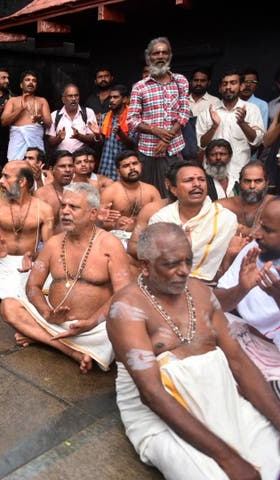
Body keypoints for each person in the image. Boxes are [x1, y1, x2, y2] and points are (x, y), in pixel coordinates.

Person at [109, 222, 280, 480]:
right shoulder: (126, 309)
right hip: (163, 418)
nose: (184, 271)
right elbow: (152, 394)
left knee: (272, 460)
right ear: (145, 266)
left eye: (188, 261)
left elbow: (239, 363)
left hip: (221, 400)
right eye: (171, 264)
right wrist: (228, 458)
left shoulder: (200, 293)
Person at [0, 182, 131, 373]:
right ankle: (70, 351)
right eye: (63, 206)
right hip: (53, 320)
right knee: (8, 306)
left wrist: (92, 322)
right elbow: (33, 285)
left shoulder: (110, 245)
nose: (65, 212)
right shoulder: (53, 244)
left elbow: (123, 294)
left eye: (74, 207)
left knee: (126, 327)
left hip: (94, 329)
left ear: (93, 213)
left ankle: (40, 336)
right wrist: (46, 312)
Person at [215, 197, 280, 397]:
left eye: (267, 230)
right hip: (240, 333)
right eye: (260, 224)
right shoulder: (255, 249)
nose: (256, 233)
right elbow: (216, 303)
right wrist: (241, 289)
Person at [0, 161, 54, 303]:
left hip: (30, 264)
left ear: (21, 181)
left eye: (6, 177)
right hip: (2, 263)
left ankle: (13, 294)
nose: (1, 181)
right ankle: (23, 294)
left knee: (53, 283)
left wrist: (32, 255)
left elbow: (49, 248)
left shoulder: (44, 210)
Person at [148, 161, 238, 283]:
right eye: (189, 180)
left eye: (201, 179)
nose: (197, 184)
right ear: (174, 189)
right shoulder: (161, 219)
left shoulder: (225, 218)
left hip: (214, 286)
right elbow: (153, 262)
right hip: (169, 285)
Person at [127, 37, 191, 198]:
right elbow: (132, 120)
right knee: (148, 193)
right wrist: (156, 131)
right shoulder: (140, 87)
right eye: (156, 53)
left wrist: (166, 138)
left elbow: (184, 113)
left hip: (173, 149)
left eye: (164, 52)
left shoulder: (180, 81)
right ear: (149, 57)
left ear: (169, 56)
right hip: (148, 151)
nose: (160, 56)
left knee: (175, 192)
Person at [196, 69, 264, 182]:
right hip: (212, 175)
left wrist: (242, 124)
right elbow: (201, 145)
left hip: (240, 174)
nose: (228, 87)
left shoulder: (252, 109)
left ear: (241, 86)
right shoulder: (207, 111)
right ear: (219, 88)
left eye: (233, 83)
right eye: (224, 84)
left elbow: (257, 141)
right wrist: (214, 127)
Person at [99, 151, 160, 244]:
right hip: (116, 239)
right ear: (118, 171)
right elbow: (97, 223)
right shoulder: (109, 192)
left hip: (146, 237)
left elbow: (161, 219)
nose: (132, 168)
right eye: (126, 166)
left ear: (141, 166)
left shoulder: (152, 191)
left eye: (135, 163)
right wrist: (115, 224)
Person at [1, 70, 51, 162]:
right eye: (27, 80)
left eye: (34, 81)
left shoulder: (42, 101)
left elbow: (49, 124)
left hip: (36, 145)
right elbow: (4, 122)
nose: (31, 82)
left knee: (36, 170)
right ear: (21, 85)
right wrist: (20, 108)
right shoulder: (12, 101)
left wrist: (40, 119)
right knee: (15, 171)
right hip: (16, 145)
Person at [218, 161, 275, 237]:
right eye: (247, 181)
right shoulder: (222, 206)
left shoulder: (276, 206)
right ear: (240, 182)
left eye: (258, 181)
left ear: (266, 182)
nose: (252, 186)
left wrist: (243, 230)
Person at [94, 84, 136, 180]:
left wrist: (120, 133)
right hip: (105, 167)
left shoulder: (132, 119)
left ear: (125, 99)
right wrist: (97, 135)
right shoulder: (104, 117)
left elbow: (132, 146)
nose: (111, 100)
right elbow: (100, 145)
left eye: (115, 97)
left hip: (124, 170)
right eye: (110, 97)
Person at [46, 82, 100, 155]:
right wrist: (59, 138)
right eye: (70, 96)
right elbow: (50, 142)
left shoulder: (88, 112)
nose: (74, 99)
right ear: (63, 99)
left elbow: (93, 138)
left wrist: (79, 137)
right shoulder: (54, 115)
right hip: (62, 159)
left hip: (82, 159)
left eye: (76, 96)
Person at [34, 150, 75, 235]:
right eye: (62, 166)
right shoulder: (42, 194)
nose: (68, 170)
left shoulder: (80, 192)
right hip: (47, 243)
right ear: (52, 169)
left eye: (70, 166)